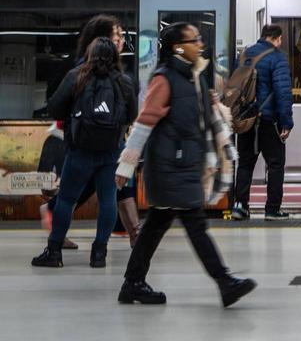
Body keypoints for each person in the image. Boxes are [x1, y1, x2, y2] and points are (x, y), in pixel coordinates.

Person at [115, 23, 256, 308]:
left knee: (155, 226)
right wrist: (126, 167)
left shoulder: (194, 77)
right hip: (170, 168)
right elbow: (144, 124)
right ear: (178, 48)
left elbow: (205, 118)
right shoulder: (164, 80)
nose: (200, 45)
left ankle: (132, 283)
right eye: (195, 40)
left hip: (182, 166)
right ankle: (225, 282)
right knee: (195, 225)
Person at [31, 37, 135, 269]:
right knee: (108, 200)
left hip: (80, 151)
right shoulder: (124, 82)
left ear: (90, 54)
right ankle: (99, 254)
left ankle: (54, 252)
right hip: (111, 151)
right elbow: (131, 115)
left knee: (67, 199)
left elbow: (55, 107)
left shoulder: (76, 76)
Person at [231, 24, 293, 221]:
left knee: (245, 163)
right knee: (275, 164)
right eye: (280, 40)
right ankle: (272, 209)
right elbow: (283, 92)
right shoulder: (277, 57)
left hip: (246, 120)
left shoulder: (244, 56)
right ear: (276, 38)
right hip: (268, 119)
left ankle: (240, 206)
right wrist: (286, 122)